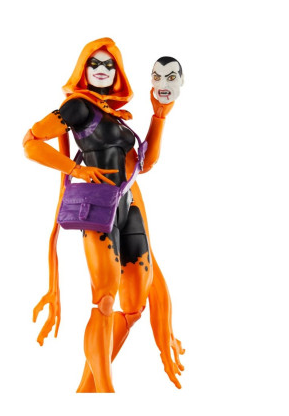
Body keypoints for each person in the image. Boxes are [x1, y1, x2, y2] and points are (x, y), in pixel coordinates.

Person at [23, 38, 184, 392]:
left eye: (109, 65)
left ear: (118, 73)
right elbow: (31, 142)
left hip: (128, 205)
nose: (102, 69)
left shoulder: (115, 116)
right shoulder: (78, 108)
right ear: (83, 69)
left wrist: (159, 116)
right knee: (106, 301)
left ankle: (87, 391)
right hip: (98, 208)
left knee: (134, 306)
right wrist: (76, 170)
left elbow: (146, 163)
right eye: (94, 63)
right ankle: (106, 391)